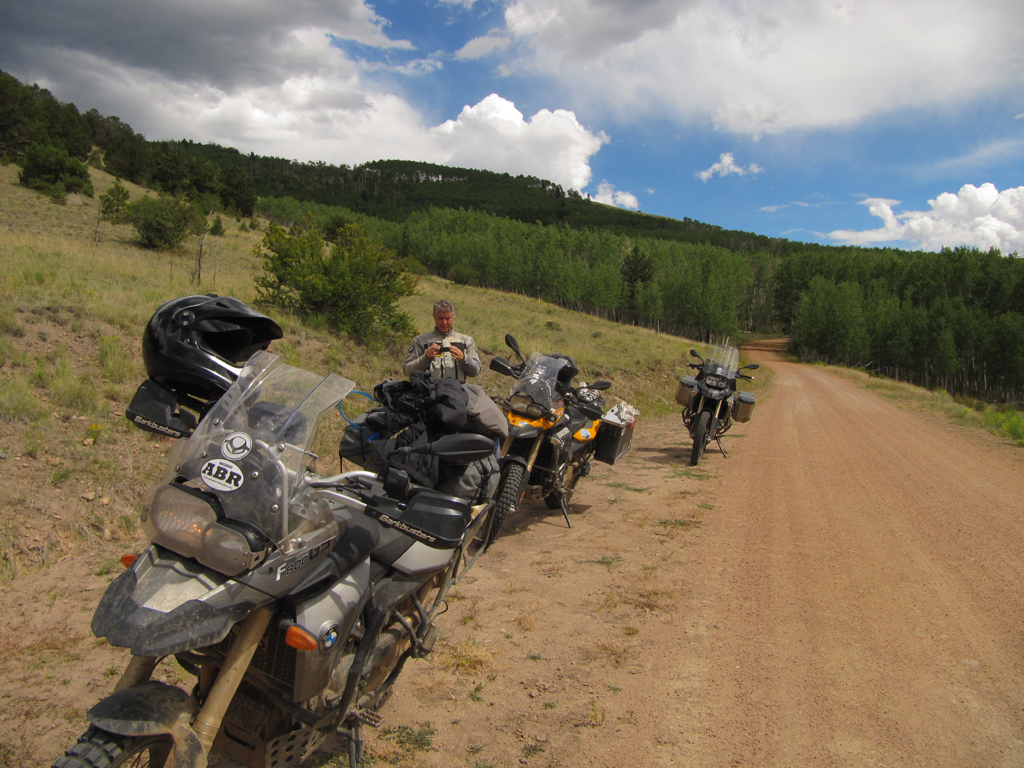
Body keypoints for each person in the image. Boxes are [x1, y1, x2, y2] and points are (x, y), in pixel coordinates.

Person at [403, 299, 481, 383]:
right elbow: (407, 371)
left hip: (457, 392)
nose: (444, 322)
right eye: (440, 318)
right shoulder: (420, 341)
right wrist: (425, 358)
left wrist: (464, 359)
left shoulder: (466, 341)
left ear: (453, 316)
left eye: (447, 318)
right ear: (434, 316)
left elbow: (476, 371)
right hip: (429, 392)